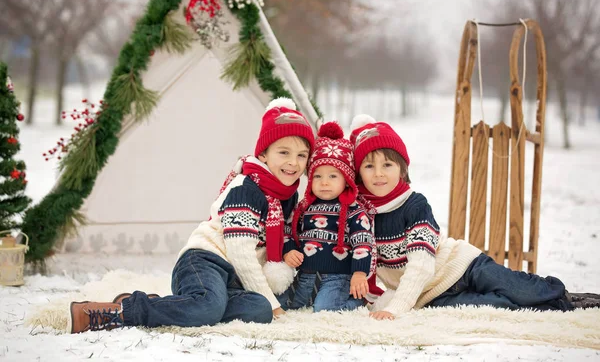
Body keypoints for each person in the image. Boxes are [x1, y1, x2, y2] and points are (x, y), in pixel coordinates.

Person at [68, 98, 315, 333]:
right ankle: (119, 312)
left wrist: (270, 301)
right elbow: (240, 253)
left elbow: (280, 240)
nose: (293, 162)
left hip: (234, 279)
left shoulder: (288, 196)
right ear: (263, 154)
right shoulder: (246, 189)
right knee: (212, 306)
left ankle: (180, 305)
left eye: (301, 155)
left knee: (259, 310)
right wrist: (275, 305)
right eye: (283, 153)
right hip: (204, 261)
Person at [348, 114, 600, 321]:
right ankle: (561, 308)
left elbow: (421, 265)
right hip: (433, 296)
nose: (379, 174)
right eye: (369, 166)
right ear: (359, 173)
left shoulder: (415, 205)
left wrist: (395, 309)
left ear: (403, 168)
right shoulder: (361, 215)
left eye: (387, 165)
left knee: (520, 290)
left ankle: (568, 297)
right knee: (501, 307)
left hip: (463, 266)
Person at [278, 121, 376, 312]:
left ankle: (356, 303)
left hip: (338, 276)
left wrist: (358, 272)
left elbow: (363, 243)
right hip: (306, 274)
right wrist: (288, 250)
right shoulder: (303, 207)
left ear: (346, 180)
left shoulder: (353, 210)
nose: (324, 183)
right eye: (317, 176)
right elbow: (288, 230)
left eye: (333, 176)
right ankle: (313, 299)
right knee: (285, 304)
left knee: (324, 309)